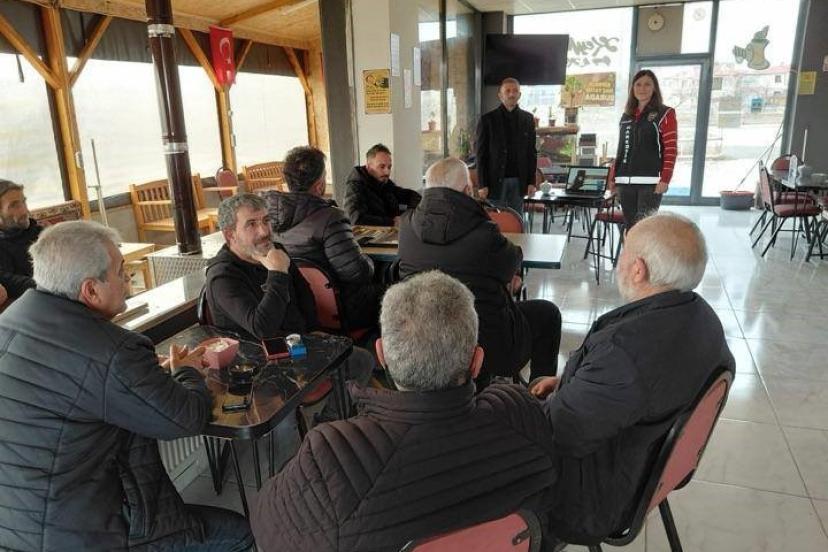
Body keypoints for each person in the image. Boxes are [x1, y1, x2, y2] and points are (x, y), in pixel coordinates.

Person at [250, 271, 559, 552]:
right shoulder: (522, 414)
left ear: (381, 355)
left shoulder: (330, 455)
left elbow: (267, 529)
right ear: (477, 362)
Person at [0, 221, 252, 552]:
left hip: (13, 526)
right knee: (240, 533)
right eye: (121, 272)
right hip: (83, 534)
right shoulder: (112, 349)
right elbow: (186, 418)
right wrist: (187, 371)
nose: (128, 280)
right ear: (91, 290)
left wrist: (146, 373)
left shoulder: (10, 320)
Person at [530, 212, 735, 545]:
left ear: (638, 269)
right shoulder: (703, 318)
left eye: (623, 252)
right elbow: (636, 390)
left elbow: (558, 433)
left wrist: (512, 406)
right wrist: (575, 384)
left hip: (591, 499)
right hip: (646, 469)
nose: (619, 262)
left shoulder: (623, 353)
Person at [205, 193, 374, 420]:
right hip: (258, 366)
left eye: (266, 220)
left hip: (296, 347)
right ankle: (327, 426)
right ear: (230, 235)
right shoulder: (223, 276)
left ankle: (329, 421)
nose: (264, 231)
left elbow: (305, 297)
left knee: (360, 360)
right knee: (358, 361)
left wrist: (313, 331)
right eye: (251, 224)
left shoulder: (276, 251)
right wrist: (277, 273)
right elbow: (261, 328)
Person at [398, 157, 561, 385]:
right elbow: (512, 264)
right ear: (468, 190)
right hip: (487, 344)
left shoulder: (406, 227)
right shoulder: (484, 233)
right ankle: (538, 394)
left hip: (426, 343)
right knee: (548, 314)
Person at [262, 146, 383, 330]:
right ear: (319, 185)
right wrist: (370, 262)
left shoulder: (267, 219)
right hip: (344, 308)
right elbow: (357, 273)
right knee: (395, 289)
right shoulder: (330, 218)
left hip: (300, 309)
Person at [610, 69, 678, 230]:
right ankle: (628, 248)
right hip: (624, 182)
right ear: (632, 89)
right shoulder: (626, 116)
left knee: (644, 230)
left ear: (654, 88)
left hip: (650, 182)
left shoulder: (665, 113)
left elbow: (671, 149)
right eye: (638, 84)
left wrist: (665, 179)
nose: (642, 88)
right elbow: (621, 149)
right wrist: (613, 176)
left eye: (647, 84)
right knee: (629, 228)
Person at [475, 77, 537, 213]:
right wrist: (482, 184)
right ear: (500, 95)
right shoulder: (487, 120)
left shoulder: (528, 119)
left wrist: (531, 182)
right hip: (494, 180)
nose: (511, 94)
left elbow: (531, 153)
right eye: (507, 91)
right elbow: (480, 155)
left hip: (519, 180)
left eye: (515, 91)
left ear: (519, 95)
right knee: (496, 220)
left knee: (517, 218)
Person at [343, 144, 421, 226]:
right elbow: (355, 219)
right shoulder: (355, 187)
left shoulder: (384, 183)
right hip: (375, 234)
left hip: (393, 231)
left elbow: (410, 196)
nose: (387, 172)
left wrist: (409, 215)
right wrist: (391, 222)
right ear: (369, 167)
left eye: (389, 167)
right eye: (382, 167)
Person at [0, 179, 43, 302]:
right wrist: (49, 285)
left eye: (23, 202)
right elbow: (7, 280)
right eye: (14, 205)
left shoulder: (41, 232)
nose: (25, 211)